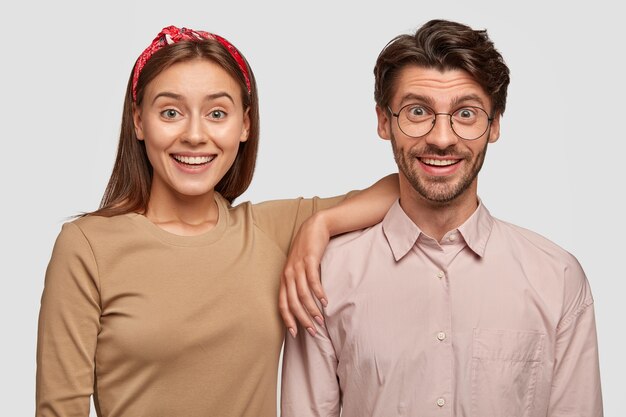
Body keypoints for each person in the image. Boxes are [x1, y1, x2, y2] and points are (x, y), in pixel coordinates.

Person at [35, 26, 399, 417]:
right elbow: (59, 410)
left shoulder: (269, 230)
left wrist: (320, 225)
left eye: (217, 113)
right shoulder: (87, 246)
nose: (195, 135)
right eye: (171, 112)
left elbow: (401, 188)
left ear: (244, 125)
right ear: (139, 122)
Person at [281, 19, 603, 417]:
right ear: (384, 121)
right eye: (418, 111)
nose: (442, 138)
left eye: (466, 113)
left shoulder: (558, 278)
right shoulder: (324, 277)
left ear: (495, 125)